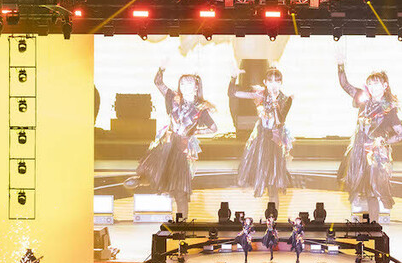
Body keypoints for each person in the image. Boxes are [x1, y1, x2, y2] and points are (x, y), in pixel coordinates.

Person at [126, 65, 218, 218]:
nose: (185, 86)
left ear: (196, 87)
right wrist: (161, 69)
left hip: (182, 149)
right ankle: (141, 180)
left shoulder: (200, 108)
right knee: (154, 170)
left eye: (189, 84)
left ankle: (182, 223)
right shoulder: (173, 98)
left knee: (179, 191)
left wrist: (195, 132)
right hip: (167, 144)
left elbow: (213, 128)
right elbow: (158, 83)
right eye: (182, 83)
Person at [334, 45, 402, 222]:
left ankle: (374, 225)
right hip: (358, 150)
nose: (373, 87)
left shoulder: (389, 109)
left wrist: (383, 141)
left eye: (377, 84)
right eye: (370, 84)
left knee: (372, 191)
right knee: (355, 185)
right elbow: (345, 85)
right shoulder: (363, 99)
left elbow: (401, 135)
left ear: (385, 86)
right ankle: (357, 222)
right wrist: (340, 65)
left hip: (375, 155)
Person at [230, 65, 294, 200]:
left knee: (273, 183)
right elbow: (233, 93)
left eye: (277, 81)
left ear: (281, 83)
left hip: (275, 140)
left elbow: (279, 121)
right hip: (261, 138)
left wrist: (275, 102)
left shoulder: (286, 99)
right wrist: (233, 77)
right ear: (265, 82)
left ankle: (273, 211)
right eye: (270, 81)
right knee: (260, 174)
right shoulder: (259, 95)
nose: (274, 84)